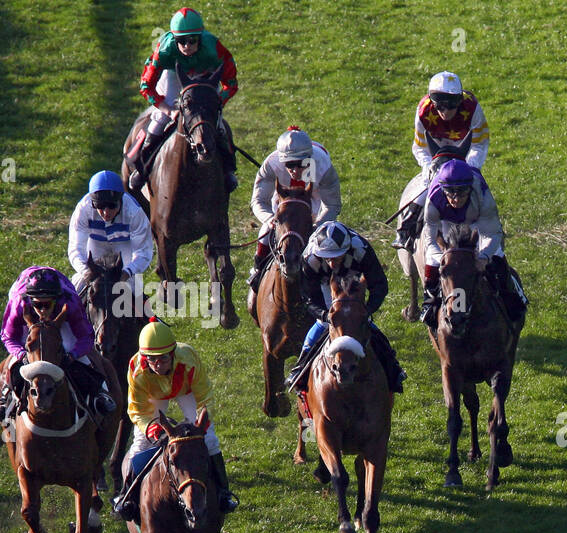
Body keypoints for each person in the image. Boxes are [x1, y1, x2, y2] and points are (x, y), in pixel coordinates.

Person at [112, 321, 236, 520]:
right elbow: (137, 410)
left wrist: (201, 422)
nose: (158, 365)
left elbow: (205, 397)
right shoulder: (136, 369)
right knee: (140, 445)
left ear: (173, 354)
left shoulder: (189, 358)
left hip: (185, 391)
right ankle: (126, 496)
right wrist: (153, 429)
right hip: (153, 397)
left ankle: (224, 493)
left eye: (162, 359)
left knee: (210, 439)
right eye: (152, 360)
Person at [285, 221, 406, 397]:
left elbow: (379, 285)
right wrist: (325, 315)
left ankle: (393, 368)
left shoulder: (361, 249)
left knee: (362, 323)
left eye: (336, 257)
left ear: (346, 249)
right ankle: (300, 369)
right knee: (324, 324)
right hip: (325, 284)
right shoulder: (310, 259)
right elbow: (308, 297)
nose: (332, 262)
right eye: (328, 257)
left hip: (354, 280)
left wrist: (367, 311)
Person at [130, 7, 239, 193]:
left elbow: (231, 83)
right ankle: (143, 167)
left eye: (192, 40)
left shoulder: (214, 48)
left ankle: (228, 170)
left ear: (200, 37)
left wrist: (215, 103)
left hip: (205, 78)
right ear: (174, 39)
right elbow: (146, 86)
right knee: (159, 121)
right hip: (174, 75)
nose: (186, 46)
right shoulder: (164, 50)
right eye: (181, 41)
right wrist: (166, 109)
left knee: (217, 124)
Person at [0, 267, 116, 421]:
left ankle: (100, 393)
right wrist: (21, 354)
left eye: (47, 305)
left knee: (73, 349)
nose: (42, 310)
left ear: (56, 300)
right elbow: (8, 337)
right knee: (22, 354)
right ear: (31, 301)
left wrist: (72, 355)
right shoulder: (19, 304)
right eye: (38, 305)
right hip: (26, 306)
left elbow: (86, 338)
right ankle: (5, 398)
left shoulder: (69, 303)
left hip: (61, 315)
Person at [246, 126, 342, 317]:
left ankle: (331, 285)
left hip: (313, 206)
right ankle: (257, 271)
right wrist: (270, 219)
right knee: (265, 231)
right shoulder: (271, 165)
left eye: (301, 164)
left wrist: (317, 225)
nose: (295, 170)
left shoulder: (322, 165)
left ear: (310, 158)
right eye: (289, 165)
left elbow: (332, 205)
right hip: (282, 206)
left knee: (325, 241)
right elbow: (258, 201)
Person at [419, 159, 527, 328]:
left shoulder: (483, 196)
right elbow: (430, 239)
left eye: (461, 193)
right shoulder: (433, 201)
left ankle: (510, 295)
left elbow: (493, 234)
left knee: (496, 253)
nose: (455, 199)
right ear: (442, 190)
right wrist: (444, 258)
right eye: (450, 193)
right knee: (432, 260)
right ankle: (429, 301)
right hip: (446, 222)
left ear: (470, 188)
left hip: (477, 222)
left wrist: (483, 257)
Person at [394, 71, 489, 249]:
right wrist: (429, 166)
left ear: (459, 102)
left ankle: (490, 229)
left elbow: (480, 144)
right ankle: (407, 229)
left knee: (477, 186)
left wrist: (469, 167)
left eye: (451, 106)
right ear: (433, 103)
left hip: (464, 151)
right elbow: (420, 147)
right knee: (425, 185)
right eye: (440, 107)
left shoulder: (472, 108)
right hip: (436, 153)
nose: (445, 112)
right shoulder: (423, 110)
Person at [68, 170, 154, 320]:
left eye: (111, 206)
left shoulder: (134, 212)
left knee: (132, 285)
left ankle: (149, 321)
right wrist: (86, 271)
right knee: (77, 284)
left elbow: (143, 252)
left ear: (120, 200)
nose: (106, 212)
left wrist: (127, 272)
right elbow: (76, 248)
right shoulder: (83, 208)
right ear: (92, 201)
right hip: (96, 243)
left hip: (123, 245)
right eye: (100, 205)